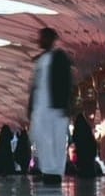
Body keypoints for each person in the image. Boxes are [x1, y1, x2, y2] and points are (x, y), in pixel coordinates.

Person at [28, 26, 73, 180]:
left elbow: (67, 82)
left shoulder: (60, 56)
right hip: (40, 107)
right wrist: (31, 108)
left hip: (56, 106)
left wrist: (67, 105)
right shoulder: (40, 60)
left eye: (42, 37)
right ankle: (48, 170)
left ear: (50, 39)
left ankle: (56, 171)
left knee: (57, 139)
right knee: (42, 138)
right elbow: (35, 86)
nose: (39, 40)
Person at [69, 110, 100, 176]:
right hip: (90, 162)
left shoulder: (77, 132)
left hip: (82, 158)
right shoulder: (88, 132)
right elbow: (94, 146)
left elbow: (74, 138)